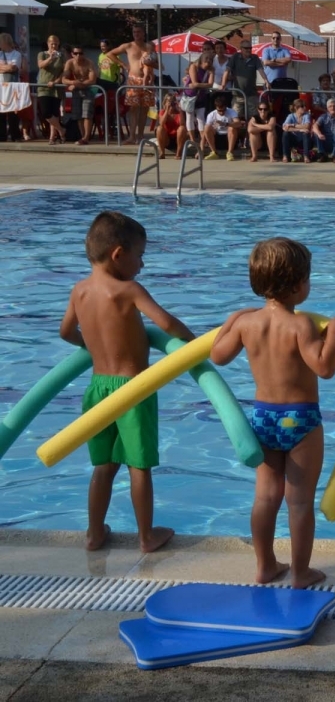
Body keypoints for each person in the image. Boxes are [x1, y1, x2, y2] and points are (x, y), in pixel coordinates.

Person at [211, 238, 335, 588]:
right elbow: (323, 367)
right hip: (300, 419)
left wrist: (232, 320)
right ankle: (301, 573)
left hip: (263, 419)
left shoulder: (247, 324)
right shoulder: (301, 325)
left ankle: (265, 566)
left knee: (265, 497)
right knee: (299, 501)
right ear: (297, 284)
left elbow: (217, 356)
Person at [59, 211, 192, 553]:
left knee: (103, 466)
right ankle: (146, 536)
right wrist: (194, 344)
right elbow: (164, 322)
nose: (142, 264)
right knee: (139, 465)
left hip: (98, 387)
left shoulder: (80, 291)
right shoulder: (128, 289)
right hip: (133, 389)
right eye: (140, 255)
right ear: (118, 254)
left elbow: (65, 332)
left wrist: (91, 345)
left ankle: (93, 533)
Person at [106, 26, 157, 142]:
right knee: (133, 108)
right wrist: (123, 65)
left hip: (147, 79)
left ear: (144, 33)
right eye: (134, 32)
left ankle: (140, 135)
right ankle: (132, 135)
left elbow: (157, 63)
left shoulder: (149, 47)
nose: (136, 34)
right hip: (133, 79)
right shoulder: (128, 46)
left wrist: (150, 64)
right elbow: (110, 54)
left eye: (138, 32)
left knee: (144, 108)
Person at [61, 45, 98, 145]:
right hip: (77, 89)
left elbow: (92, 80)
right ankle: (83, 137)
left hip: (88, 90)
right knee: (78, 115)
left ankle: (86, 137)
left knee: (87, 114)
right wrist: (74, 83)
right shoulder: (70, 63)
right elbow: (64, 79)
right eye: (76, 53)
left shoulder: (89, 63)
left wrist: (78, 83)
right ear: (72, 54)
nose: (78, 56)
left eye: (80, 53)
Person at [181, 51, 215, 155]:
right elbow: (195, 83)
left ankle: (202, 143)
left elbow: (210, 84)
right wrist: (202, 84)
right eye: (206, 60)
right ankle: (192, 140)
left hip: (201, 97)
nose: (208, 62)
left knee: (201, 119)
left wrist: (198, 85)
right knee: (189, 117)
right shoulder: (193, 67)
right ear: (202, 59)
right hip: (190, 96)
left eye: (210, 60)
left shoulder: (211, 70)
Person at [36, 35, 66, 145]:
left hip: (56, 87)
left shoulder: (62, 56)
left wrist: (56, 82)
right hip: (43, 86)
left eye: (56, 44)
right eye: (52, 43)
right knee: (46, 112)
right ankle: (61, 130)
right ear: (48, 44)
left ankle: (52, 137)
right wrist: (50, 58)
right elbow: (40, 65)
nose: (54, 46)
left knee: (55, 113)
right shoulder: (42, 54)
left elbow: (64, 71)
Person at [222, 39, 264, 115]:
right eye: (246, 48)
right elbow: (227, 70)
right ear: (241, 49)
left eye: (250, 48)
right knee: (235, 117)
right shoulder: (235, 57)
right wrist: (223, 84)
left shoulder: (255, 58)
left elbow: (261, 70)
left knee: (253, 117)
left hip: (251, 95)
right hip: (238, 95)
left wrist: (266, 81)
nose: (249, 50)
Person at [0, 32, 24, 143]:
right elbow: (8, 67)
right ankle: (2, 135)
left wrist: (3, 67)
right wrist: (7, 67)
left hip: (12, 86)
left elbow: (13, 68)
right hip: (1, 85)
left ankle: (15, 134)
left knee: (13, 112)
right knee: (1, 111)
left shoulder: (16, 54)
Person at [203, 96, 242, 161]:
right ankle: (214, 152)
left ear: (226, 107)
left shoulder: (231, 112)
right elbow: (205, 133)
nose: (221, 112)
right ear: (216, 107)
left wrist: (226, 124)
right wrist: (201, 149)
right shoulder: (211, 115)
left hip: (229, 139)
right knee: (207, 127)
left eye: (223, 110)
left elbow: (238, 123)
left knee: (232, 128)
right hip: (217, 139)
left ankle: (230, 152)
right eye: (219, 110)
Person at [313, 98, 335, 162]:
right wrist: (319, 133)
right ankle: (322, 155)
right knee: (316, 133)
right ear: (327, 108)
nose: (332, 108)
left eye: (334, 106)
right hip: (325, 140)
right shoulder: (323, 117)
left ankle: (334, 156)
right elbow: (315, 126)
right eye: (330, 106)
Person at [154, 93, 185, 160]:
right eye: (169, 101)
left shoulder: (178, 112)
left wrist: (180, 111)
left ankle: (178, 153)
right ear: (165, 103)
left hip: (177, 138)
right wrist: (167, 111)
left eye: (172, 101)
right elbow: (161, 123)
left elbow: (182, 124)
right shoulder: (162, 112)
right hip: (166, 139)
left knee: (182, 128)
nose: (171, 104)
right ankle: (162, 153)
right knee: (159, 128)